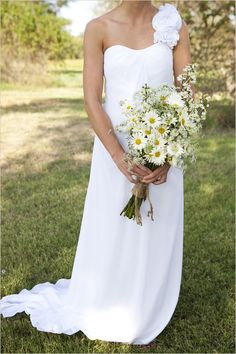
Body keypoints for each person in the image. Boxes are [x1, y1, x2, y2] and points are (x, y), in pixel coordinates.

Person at [0, 0, 192, 346]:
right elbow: (92, 98)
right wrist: (119, 157)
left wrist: (166, 154)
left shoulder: (173, 24)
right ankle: (109, 297)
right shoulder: (98, 28)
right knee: (113, 228)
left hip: (163, 147)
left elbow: (186, 92)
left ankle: (146, 305)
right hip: (112, 150)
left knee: (155, 228)